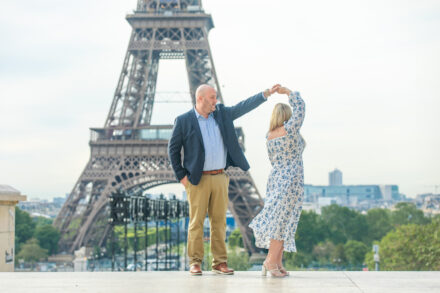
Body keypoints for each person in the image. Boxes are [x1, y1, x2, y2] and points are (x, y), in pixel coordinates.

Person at [168, 83, 280, 276]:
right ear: (200, 98)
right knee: (196, 223)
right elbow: (173, 150)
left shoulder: (221, 113)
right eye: (212, 97)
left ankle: (220, 263)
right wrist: (182, 177)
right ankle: (195, 262)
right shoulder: (183, 120)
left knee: (219, 222)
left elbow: (243, 106)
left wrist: (266, 94)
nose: (216, 100)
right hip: (197, 180)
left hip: (220, 176)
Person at [249, 86, 306, 277]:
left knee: (282, 221)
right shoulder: (289, 130)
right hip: (291, 181)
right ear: (287, 116)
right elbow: (301, 108)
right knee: (282, 223)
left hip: (276, 180)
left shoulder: (269, 136)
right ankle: (270, 261)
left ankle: (277, 261)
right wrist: (289, 92)